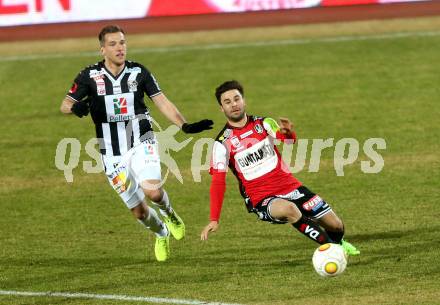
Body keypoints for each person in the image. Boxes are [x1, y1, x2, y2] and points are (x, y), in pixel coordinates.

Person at [60, 25, 213, 262]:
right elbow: (65, 104)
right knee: (139, 212)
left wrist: (185, 125)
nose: (119, 48)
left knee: (152, 191)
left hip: (141, 140)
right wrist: (76, 107)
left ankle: (169, 213)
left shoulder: (139, 72)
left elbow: (161, 101)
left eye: (122, 42)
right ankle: (161, 233)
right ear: (102, 50)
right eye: (113, 44)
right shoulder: (89, 76)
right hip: (111, 153)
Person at [200, 80, 360, 257]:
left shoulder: (264, 123)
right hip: (262, 198)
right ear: (222, 108)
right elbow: (218, 182)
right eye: (227, 102)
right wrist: (214, 219)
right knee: (289, 209)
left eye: (236, 99)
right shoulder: (221, 144)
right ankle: (334, 251)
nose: (234, 105)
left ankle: (338, 242)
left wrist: (288, 133)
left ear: (244, 101)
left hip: (291, 187)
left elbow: (288, 141)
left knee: (336, 225)